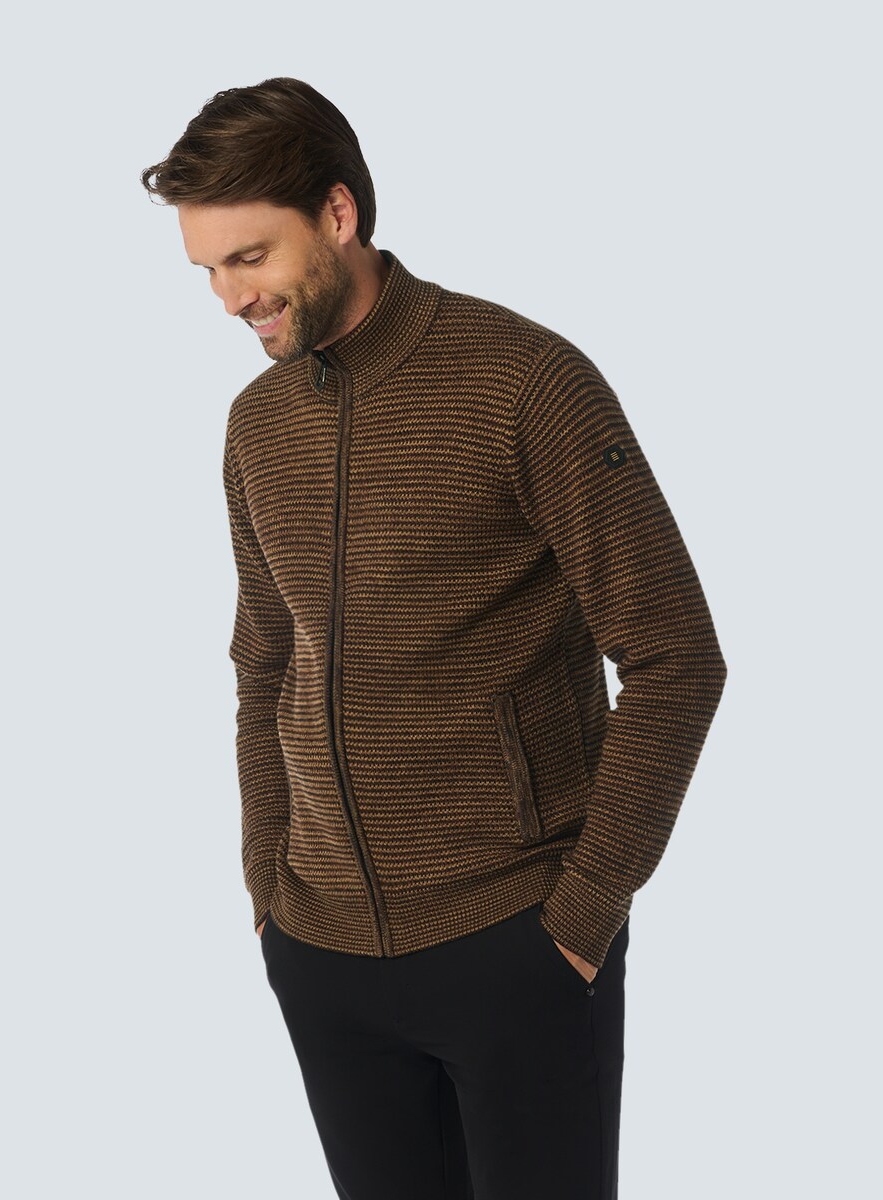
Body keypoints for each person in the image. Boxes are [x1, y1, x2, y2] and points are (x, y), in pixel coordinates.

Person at [141, 76, 727, 1200]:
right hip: (322, 956)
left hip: (515, 938)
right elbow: (263, 662)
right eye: (207, 269)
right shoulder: (257, 424)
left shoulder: (525, 382)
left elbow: (674, 658)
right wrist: (268, 887)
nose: (228, 298)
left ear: (339, 213)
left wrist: (584, 911)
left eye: (250, 258)